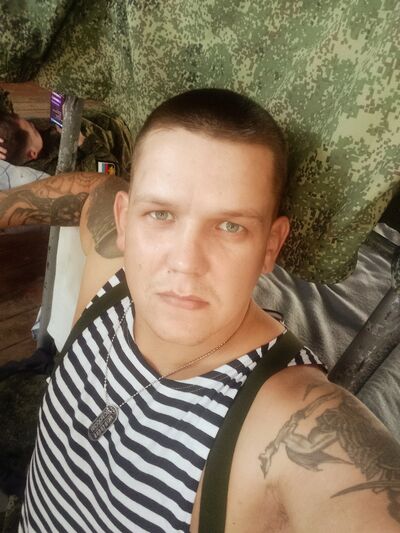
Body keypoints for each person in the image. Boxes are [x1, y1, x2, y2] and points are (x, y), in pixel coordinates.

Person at [1, 88, 400, 532]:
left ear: (271, 246)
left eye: (230, 226)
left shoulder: (286, 422)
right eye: (161, 214)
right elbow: (97, 189)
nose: (186, 262)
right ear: (124, 220)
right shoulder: (109, 275)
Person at [0, 105, 133, 178]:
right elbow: (112, 171)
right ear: (32, 154)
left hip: (109, 116)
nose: (34, 125)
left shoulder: (24, 144)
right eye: (33, 130)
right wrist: (84, 142)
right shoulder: (62, 173)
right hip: (126, 138)